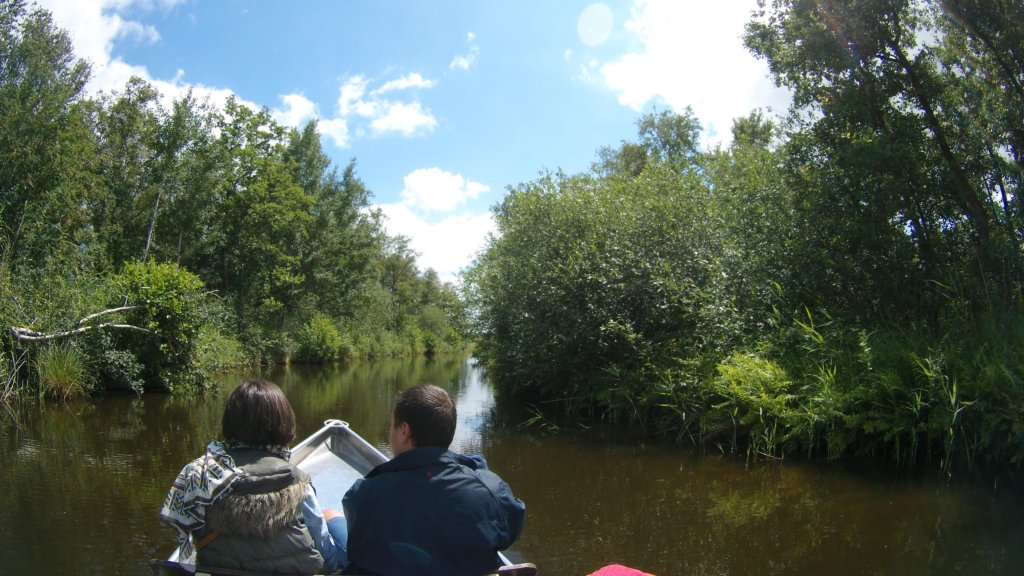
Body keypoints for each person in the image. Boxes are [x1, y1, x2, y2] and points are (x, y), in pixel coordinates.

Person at [159, 379, 348, 574]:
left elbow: (190, 547)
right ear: (284, 423)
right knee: (331, 516)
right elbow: (327, 559)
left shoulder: (199, 477)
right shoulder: (297, 482)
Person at [342, 384, 526, 576]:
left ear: (404, 431)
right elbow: (510, 532)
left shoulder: (364, 493)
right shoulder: (491, 489)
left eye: (391, 425)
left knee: (333, 519)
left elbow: (358, 546)